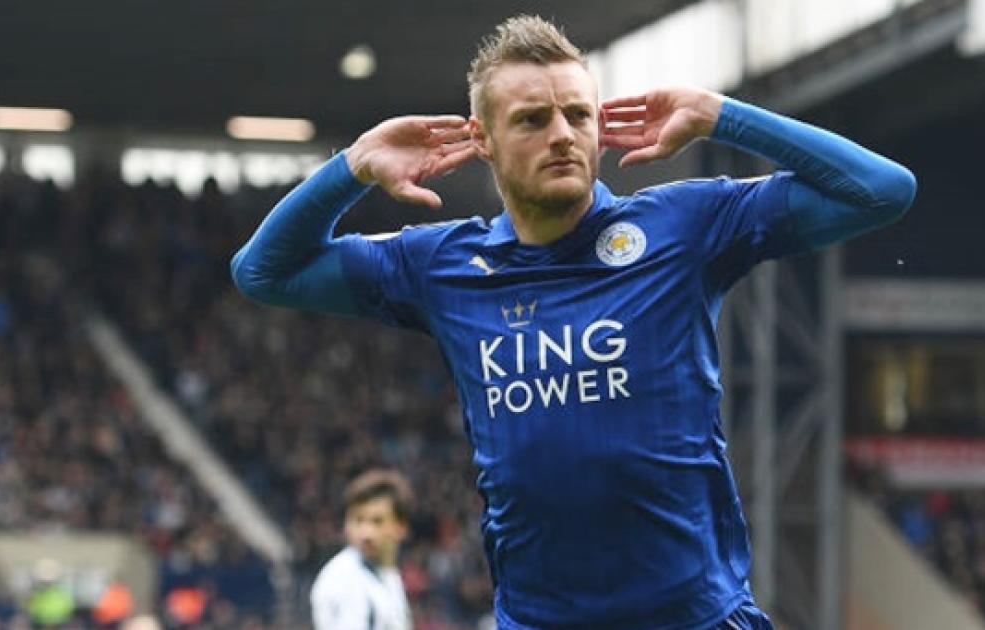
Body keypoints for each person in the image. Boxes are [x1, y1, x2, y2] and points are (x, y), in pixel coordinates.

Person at [233, 15, 916, 630]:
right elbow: (263, 272)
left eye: (577, 115)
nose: (562, 135)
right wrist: (352, 169)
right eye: (532, 119)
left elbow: (882, 191)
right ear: (483, 140)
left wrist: (721, 116)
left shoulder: (682, 227)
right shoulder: (440, 265)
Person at [310, 469, 414, 630]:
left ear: (401, 526)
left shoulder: (387, 576)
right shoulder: (344, 580)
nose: (366, 533)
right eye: (358, 520)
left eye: (377, 521)